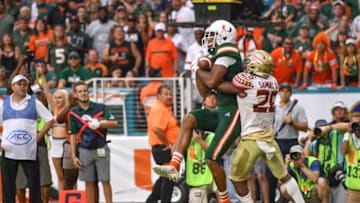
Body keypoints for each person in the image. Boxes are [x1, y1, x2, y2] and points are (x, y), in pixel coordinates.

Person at [154, 20, 242, 203]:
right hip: (221, 110)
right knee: (189, 118)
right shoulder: (218, 55)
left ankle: (224, 199)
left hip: (234, 112)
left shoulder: (229, 51)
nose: (208, 40)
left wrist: (196, 69)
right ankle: (174, 165)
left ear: (224, 37)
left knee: (211, 157)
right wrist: (200, 70)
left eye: (212, 36)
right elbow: (204, 92)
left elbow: (212, 82)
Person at [215, 50, 305, 203]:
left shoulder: (245, 80)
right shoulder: (273, 81)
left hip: (251, 139)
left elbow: (220, 84)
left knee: (236, 178)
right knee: (284, 176)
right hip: (269, 139)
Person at [0, 74, 54, 203]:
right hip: (9, 151)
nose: (22, 87)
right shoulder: (4, 103)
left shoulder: (34, 102)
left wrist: (38, 137)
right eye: (19, 84)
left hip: (29, 152)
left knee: (34, 185)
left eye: (25, 84)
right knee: (8, 187)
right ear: (12, 86)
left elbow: (50, 119)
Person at [69, 81, 118, 203]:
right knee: (88, 182)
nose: (83, 93)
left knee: (105, 180)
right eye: (80, 91)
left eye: (85, 90)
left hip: (101, 147)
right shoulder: (73, 112)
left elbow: (114, 123)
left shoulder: (100, 108)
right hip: (84, 150)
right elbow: (73, 135)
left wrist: (101, 124)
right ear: (76, 94)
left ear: (88, 92)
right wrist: (73, 155)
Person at [146, 85, 179, 203]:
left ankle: (151, 200)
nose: (169, 97)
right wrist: (169, 144)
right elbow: (157, 129)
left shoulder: (164, 108)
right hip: (163, 148)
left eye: (170, 94)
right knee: (169, 179)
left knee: (165, 178)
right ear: (158, 96)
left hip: (164, 147)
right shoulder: (159, 109)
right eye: (166, 94)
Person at [303, 119, 347, 203]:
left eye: (322, 129)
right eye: (318, 129)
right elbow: (305, 158)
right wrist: (309, 140)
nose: (321, 132)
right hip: (326, 182)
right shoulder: (315, 144)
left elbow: (348, 126)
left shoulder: (336, 135)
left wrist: (328, 128)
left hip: (340, 178)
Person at [186, 92, 218, 203]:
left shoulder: (211, 135)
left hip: (214, 175)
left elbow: (215, 152)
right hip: (197, 180)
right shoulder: (187, 137)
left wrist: (199, 140)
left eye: (214, 98)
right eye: (209, 97)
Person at [274, 82, 308, 154]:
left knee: (293, 164)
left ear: (291, 93)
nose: (284, 94)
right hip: (277, 140)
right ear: (279, 93)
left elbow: (305, 127)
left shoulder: (298, 108)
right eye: (282, 91)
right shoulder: (274, 108)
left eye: (287, 91)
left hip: (292, 141)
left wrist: (291, 123)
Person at [184, 27, 207, 109]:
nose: (198, 36)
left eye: (199, 33)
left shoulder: (209, 46)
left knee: (205, 102)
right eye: (196, 34)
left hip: (207, 80)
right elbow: (187, 66)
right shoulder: (191, 48)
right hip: (194, 80)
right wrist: (189, 81)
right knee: (193, 103)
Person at [342, 112, 360, 203]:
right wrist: (348, 132)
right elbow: (343, 151)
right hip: (353, 189)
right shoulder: (348, 138)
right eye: (354, 124)